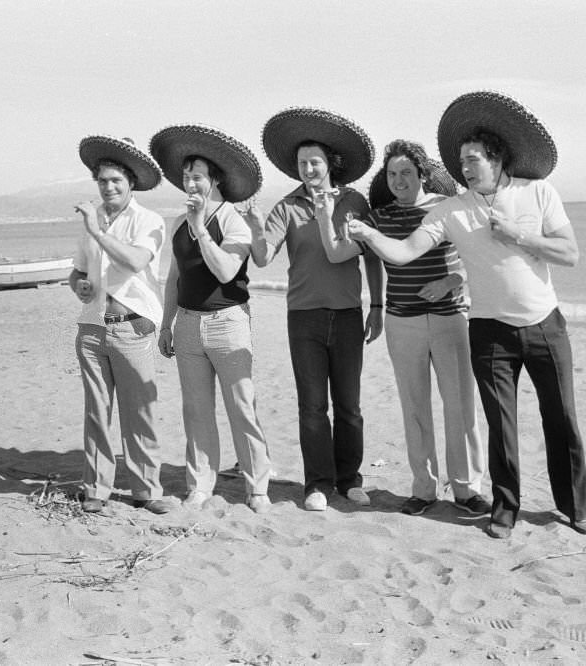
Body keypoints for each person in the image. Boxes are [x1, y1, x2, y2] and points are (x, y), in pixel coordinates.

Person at [346, 92, 586, 538]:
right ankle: (505, 508)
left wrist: (520, 235)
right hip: (488, 329)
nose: (464, 166)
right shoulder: (452, 210)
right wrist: (367, 234)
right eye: (461, 159)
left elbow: (570, 254)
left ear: (496, 158)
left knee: (562, 419)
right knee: (500, 426)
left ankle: (575, 507)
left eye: (472, 158)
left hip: (545, 325)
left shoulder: (538, 192)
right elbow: (403, 253)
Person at [240, 107, 383, 511]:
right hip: (303, 316)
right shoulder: (287, 206)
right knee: (312, 406)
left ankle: (349, 479)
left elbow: (372, 255)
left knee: (350, 406)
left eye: (314, 161)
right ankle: (317, 483)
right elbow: (264, 257)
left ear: (329, 163)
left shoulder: (354, 200)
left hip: (349, 314)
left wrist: (379, 305)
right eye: (302, 163)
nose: (308, 168)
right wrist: (253, 227)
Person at [148, 124, 273, 514]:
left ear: (214, 179)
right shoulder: (177, 223)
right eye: (186, 177)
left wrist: (202, 227)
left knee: (242, 407)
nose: (190, 184)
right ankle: (200, 484)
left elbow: (224, 272)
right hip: (187, 324)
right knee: (196, 410)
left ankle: (258, 489)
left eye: (197, 177)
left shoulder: (231, 220)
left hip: (227, 321)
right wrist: (166, 324)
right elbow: (174, 279)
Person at [365, 141, 488, 517]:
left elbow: (478, 256)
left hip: (451, 318)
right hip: (402, 321)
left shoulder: (445, 208)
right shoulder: (379, 217)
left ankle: (467, 491)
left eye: (406, 172)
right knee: (414, 407)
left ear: (422, 174)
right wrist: (376, 305)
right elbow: (368, 260)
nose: (399, 180)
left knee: (460, 406)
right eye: (392, 174)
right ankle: (423, 489)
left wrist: (452, 281)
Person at [70, 136, 170, 515]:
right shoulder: (92, 219)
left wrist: (97, 230)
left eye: (116, 180)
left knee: (139, 410)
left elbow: (133, 261)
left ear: (130, 182)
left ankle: (145, 489)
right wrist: (78, 285)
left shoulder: (149, 220)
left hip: (132, 326)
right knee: (96, 410)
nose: (108, 187)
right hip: (92, 326)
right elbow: (78, 270)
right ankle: (96, 488)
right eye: (102, 181)